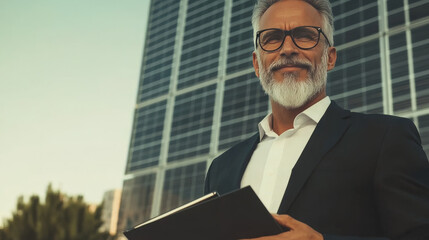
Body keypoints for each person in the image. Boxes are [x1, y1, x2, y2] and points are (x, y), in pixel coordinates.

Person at [204, 0, 429, 239]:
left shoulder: (385, 138)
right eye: (271, 38)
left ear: (330, 57)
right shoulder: (220, 169)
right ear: (256, 64)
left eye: (304, 36)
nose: (287, 48)